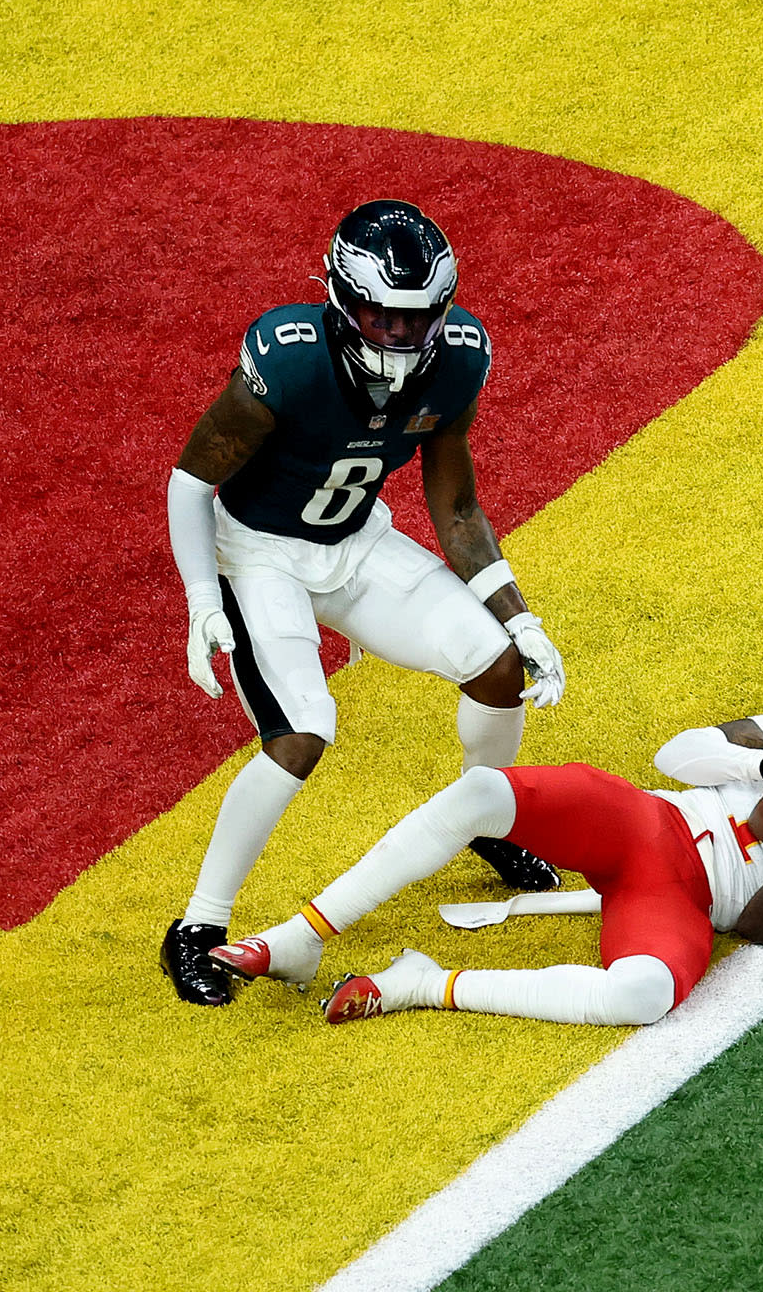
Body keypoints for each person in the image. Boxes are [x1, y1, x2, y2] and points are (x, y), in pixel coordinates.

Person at [160, 200, 568, 1006]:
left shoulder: (455, 362)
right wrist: (202, 598)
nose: (397, 336)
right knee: (303, 732)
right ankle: (197, 924)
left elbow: (455, 507)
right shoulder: (292, 358)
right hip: (261, 556)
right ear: (343, 300)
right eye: (380, 315)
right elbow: (191, 482)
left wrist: (519, 616)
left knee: (497, 668)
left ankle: (488, 815)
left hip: (356, 542)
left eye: (415, 319)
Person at [209, 679, 763, 1026]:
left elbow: (761, 930)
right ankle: (301, 936)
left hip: (686, 900)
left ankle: (424, 984)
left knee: (641, 994)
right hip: (648, 822)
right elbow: (675, 754)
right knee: (483, 792)